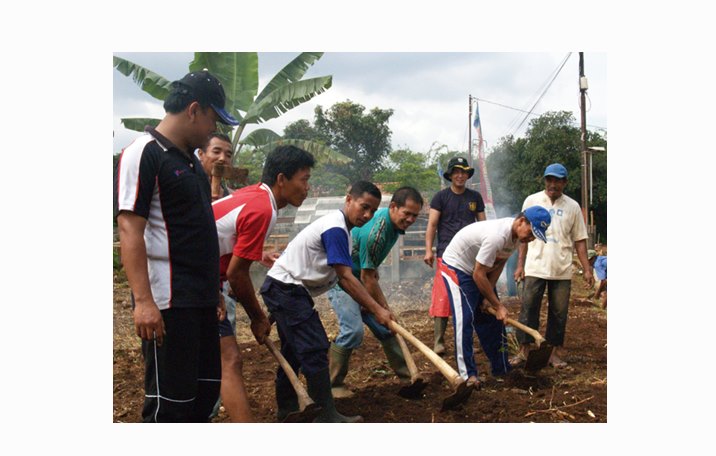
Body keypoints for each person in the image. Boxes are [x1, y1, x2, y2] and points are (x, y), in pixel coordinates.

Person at [115, 70, 240, 422]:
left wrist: (213, 289)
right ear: (194, 110)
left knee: (203, 400)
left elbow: (198, 230)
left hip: (200, 301)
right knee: (171, 407)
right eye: (213, 118)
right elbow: (129, 229)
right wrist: (143, 302)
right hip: (168, 304)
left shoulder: (191, 163)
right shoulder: (144, 154)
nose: (213, 129)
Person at [260, 181, 395, 423]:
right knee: (314, 347)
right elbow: (345, 276)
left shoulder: (344, 231)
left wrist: (374, 307)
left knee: (293, 350)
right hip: (287, 290)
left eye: (373, 211)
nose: (367, 215)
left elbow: (342, 280)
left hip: (283, 289)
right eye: (364, 207)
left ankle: (288, 410)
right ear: (348, 199)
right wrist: (377, 310)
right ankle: (327, 416)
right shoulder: (335, 228)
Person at [211, 145, 315, 422]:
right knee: (228, 360)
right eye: (303, 180)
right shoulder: (263, 208)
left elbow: (229, 243)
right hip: (185, 278)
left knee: (220, 361)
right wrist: (257, 317)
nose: (307, 188)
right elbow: (237, 274)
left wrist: (253, 258)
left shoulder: (255, 195)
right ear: (282, 179)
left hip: (200, 279)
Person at [327, 187, 425, 398]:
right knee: (353, 331)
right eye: (406, 213)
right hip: (340, 280)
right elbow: (367, 277)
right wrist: (383, 308)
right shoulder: (378, 233)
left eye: (414, 215)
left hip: (359, 280)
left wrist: (381, 309)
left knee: (387, 329)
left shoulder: (391, 225)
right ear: (393, 207)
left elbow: (368, 272)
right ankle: (333, 384)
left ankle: (410, 377)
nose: (410, 219)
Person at [440, 206, 552, 389]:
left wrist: (488, 298)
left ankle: (501, 368)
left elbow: (498, 263)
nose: (531, 239)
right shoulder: (497, 236)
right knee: (465, 320)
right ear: (522, 221)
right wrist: (498, 305)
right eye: (531, 233)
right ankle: (468, 375)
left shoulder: (517, 238)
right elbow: (478, 274)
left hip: (478, 270)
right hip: (457, 268)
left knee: (491, 320)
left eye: (534, 237)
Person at [513, 163, 595, 369]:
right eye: (550, 180)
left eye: (558, 180)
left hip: (561, 269)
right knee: (529, 308)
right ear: (545, 180)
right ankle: (524, 349)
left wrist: (586, 269)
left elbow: (579, 240)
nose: (553, 184)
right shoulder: (532, 200)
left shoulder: (573, 206)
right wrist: (520, 265)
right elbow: (523, 235)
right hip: (534, 267)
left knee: (559, 313)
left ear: (564, 183)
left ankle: (554, 353)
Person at [423, 156, 486, 355]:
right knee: (442, 296)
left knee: (471, 296)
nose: (460, 175)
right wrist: (428, 250)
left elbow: (483, 226)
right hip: (446, 254)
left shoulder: (475, 197)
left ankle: (469, 338)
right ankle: (439, 340)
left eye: (464, 172)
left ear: (468, 175)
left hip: (470, 256)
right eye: (456, 172)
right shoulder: (440, 197)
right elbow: (432, 225)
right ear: (450, 175)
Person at [198, 132, 233, 200]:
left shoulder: (231, 197)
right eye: (216, 152)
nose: (222, 158)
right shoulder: (185, 186)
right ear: (201, 154)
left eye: (228, 155)